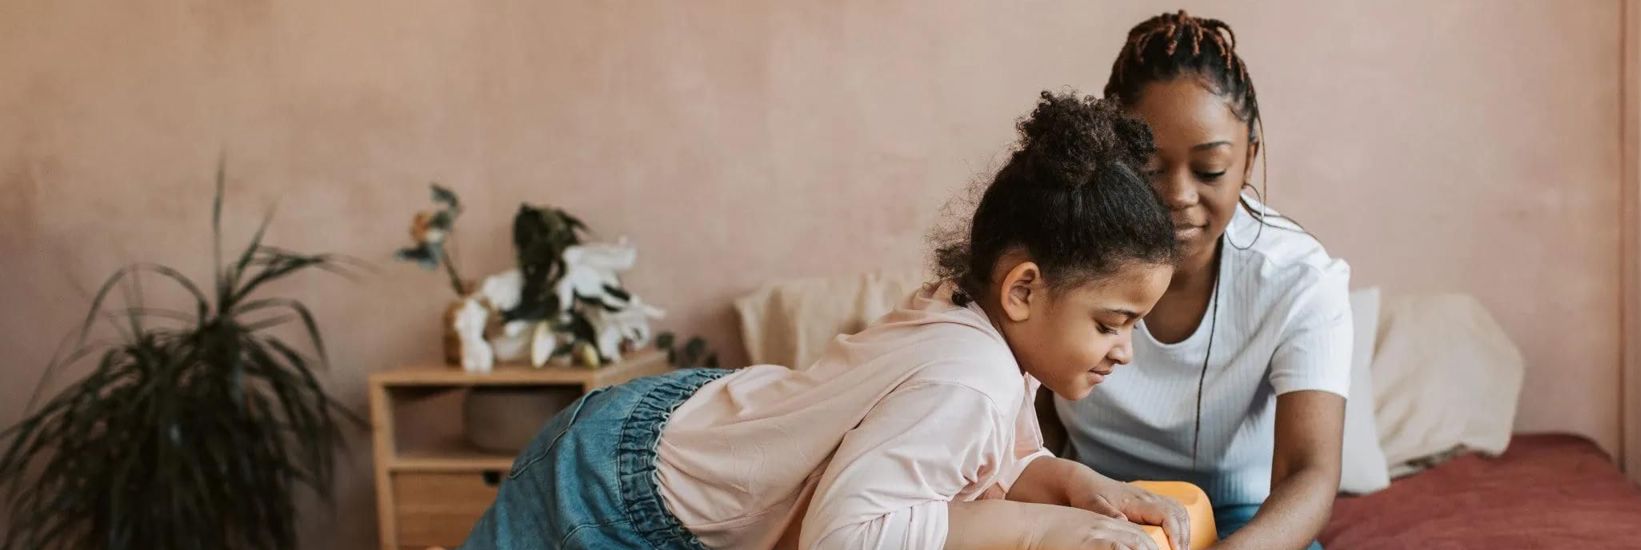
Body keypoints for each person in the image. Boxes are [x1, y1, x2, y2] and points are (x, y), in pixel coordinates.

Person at [464, 92, 1194, 550]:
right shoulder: (968, 376)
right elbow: (845, 536)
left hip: (669, 428)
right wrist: (1043, 530)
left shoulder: (983, 339)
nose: (1124, 351)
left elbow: (987, 459)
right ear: (1024, 290)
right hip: (613, 484)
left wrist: (1072, 484)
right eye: (1111, 323)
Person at [1050, 11, 1353, 550]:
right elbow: (1026, 420)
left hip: (1242, 521)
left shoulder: (1300, 279)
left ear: (1248, 159)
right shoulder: (1058, 251)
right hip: (1092, 500)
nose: (1179, 195)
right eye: (1149, 166)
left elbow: (1308, 471)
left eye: (1210, 170)